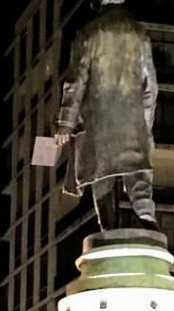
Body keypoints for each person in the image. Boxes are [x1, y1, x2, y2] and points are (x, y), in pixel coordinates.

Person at [54, 0, 158, 232]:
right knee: (138, 176)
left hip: (99, 123)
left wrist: (65, 122)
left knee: (102, 178)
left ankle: (107, 231)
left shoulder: (89, 33)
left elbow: (75, 82)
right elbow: (150, 85)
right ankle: (148, 221)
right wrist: (146, 124)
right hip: (133, 123)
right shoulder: (138, 33)